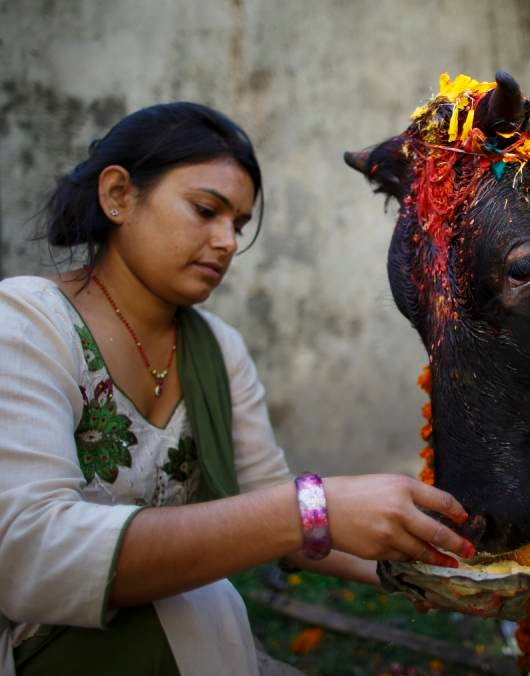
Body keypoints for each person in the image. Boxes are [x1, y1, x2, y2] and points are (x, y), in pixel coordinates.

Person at [0, 102, 475, 676]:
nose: (226, 241)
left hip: (186, 643)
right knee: (210, 605)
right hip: (51, 649)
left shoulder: (217, 350)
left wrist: (441, 569)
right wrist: (310, 507)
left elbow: (289, 522)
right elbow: (32, 553)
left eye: (239, 225)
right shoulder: (28, 324)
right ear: (118, 196)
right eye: (206, 210)